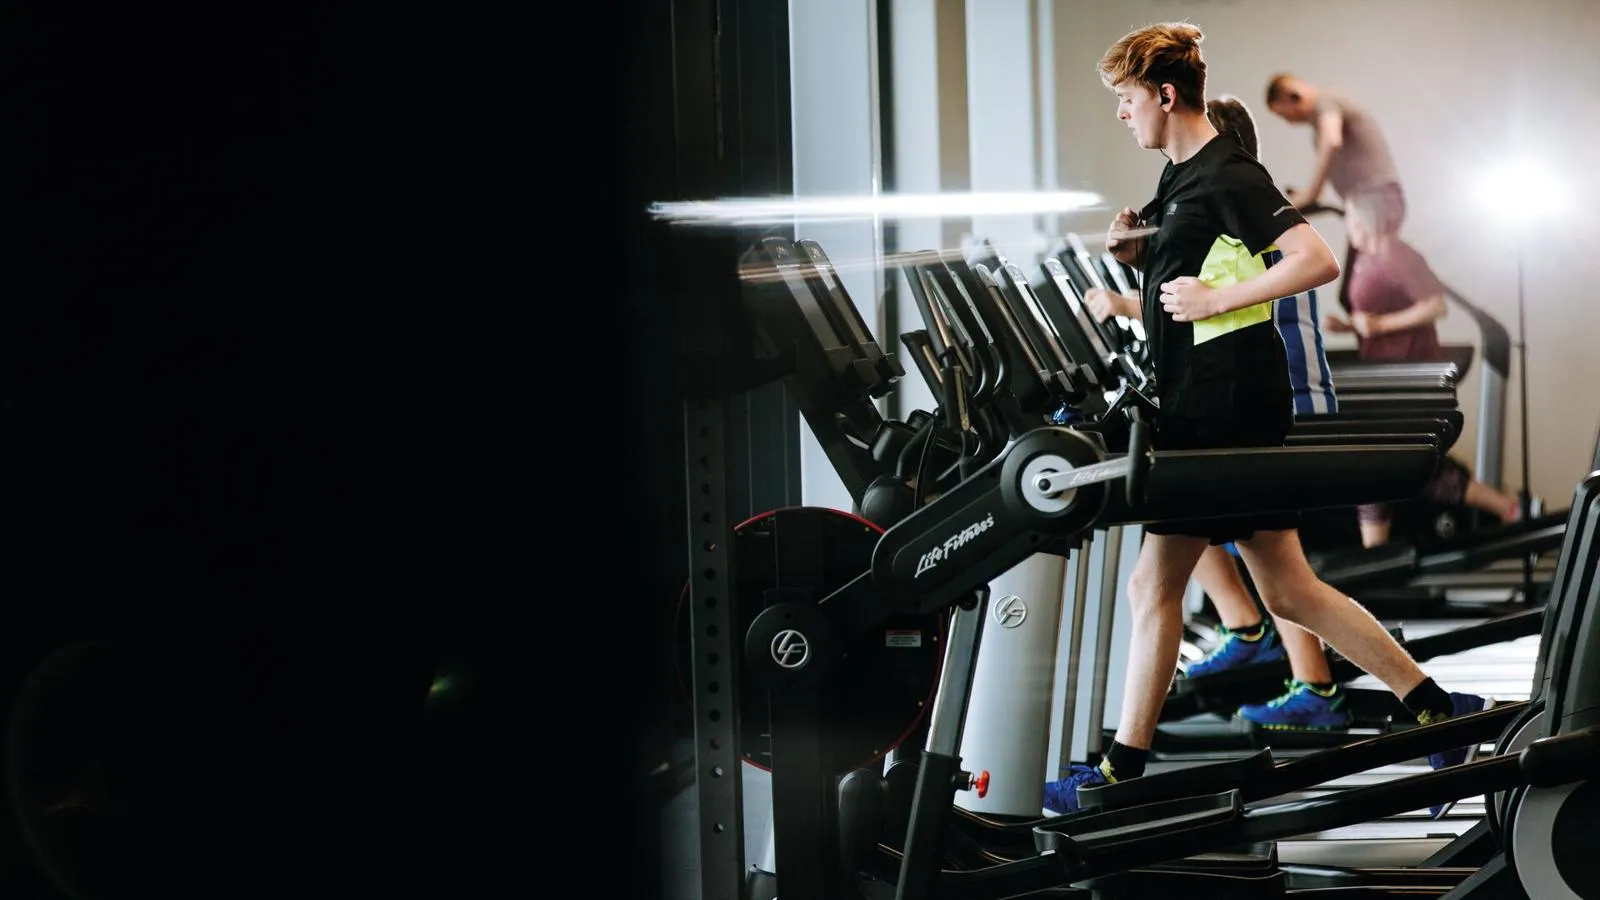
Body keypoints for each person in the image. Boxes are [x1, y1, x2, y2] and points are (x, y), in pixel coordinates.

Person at [1043, 22, 1484, 816]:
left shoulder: (1226, 172)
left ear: (1165, 95)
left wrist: (1216, 300)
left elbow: (1316, 260)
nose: (1121, 114)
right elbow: (1203, 273)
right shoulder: (1183, 178)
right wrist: (1137, 265)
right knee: (1287, 589)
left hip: (1215, 413)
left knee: (1156, 587)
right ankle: (1437, 712)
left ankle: (1117, 778)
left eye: (1125, 99)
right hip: (1210, 401)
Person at [1083, 93, 1348, 730]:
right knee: (1262, 560)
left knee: (1260, 557)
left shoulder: (1235, 199)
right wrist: (1146, 264)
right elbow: (1204, 296)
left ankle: (1296, 669)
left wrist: (1128, 303)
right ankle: (1269, 645)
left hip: (1283, 395)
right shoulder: (1218, 205)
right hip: (1258, 391)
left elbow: (1228, 300)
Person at [1326, 196, 1523, 548]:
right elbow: (1372, 316)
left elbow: (1436, 306)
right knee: (1387, 465)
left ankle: (1376, 556)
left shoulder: (1399, 255)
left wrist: (1379, 325)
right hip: (1380, 373)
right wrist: (1349, 326)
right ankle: (1376, 557)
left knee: (1383, 463)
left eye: (1353, 216)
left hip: (1406, 376)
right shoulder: (1365, 259)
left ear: (1369, 217)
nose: (1348, 224)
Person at [1263, 73, 1405, 238]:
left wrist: (1311, 194)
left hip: (1376, 196)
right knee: (1370, 258)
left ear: (1292, 94)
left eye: (1285, 115)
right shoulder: (1318, 127)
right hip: (1367, 200)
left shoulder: (1327, 101)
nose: (1290, 122)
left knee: (1372, 259)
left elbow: (1331, 141)